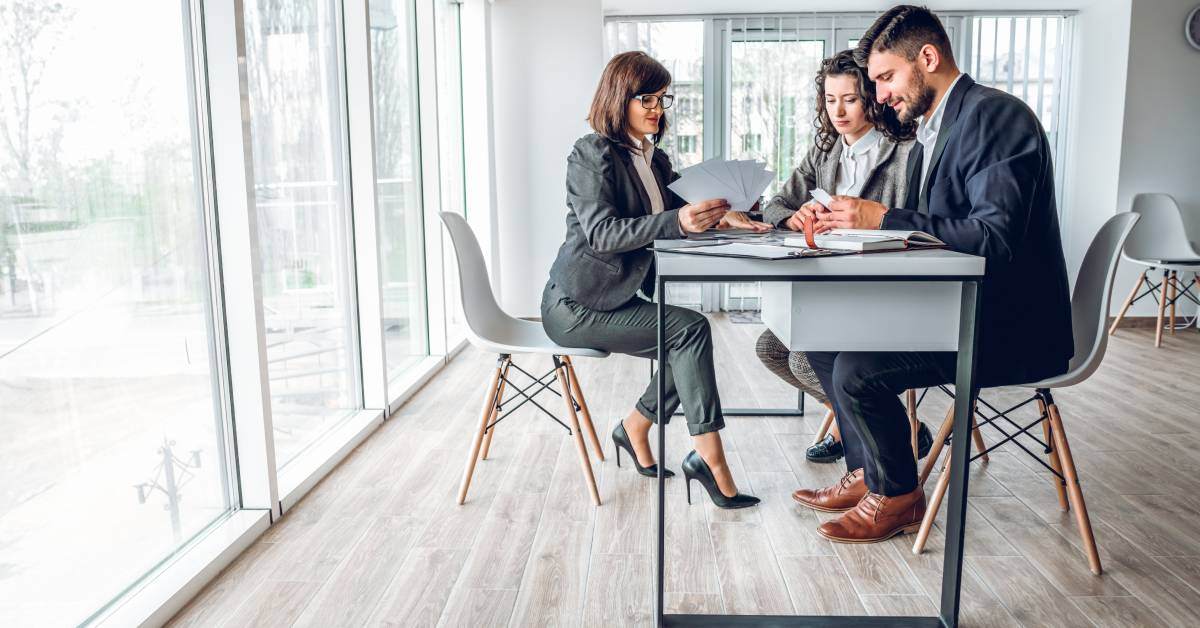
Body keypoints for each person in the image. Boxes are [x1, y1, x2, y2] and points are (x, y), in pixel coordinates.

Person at [791, 5, 1073, 543]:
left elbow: (993, 238)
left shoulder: (995, 118)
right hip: (957, 306)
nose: (878, 96)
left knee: (855, 369)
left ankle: (898, 497)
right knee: (822, 340)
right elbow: (941, 230)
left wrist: (883, 218)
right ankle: (872, 473)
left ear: (928, 57)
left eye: (885, 77)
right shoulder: (939, 127)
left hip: (1007, 326)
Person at [541, 51, 760, 509]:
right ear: (620, 96)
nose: (657, 108)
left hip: (616, 297)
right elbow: (603, 233)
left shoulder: (654, 160)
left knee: (686, 338)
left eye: (663, 98)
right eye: (647, 98)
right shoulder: (591, 152)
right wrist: (679, 221)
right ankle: (710, 462)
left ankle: (636, 427)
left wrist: (727, 215)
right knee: (690, 332)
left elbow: (686, 203)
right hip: (577, 304)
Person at [726, 49, 934, 465]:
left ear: (873, 97)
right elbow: (777, 203)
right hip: (834, 287)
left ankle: (870, 432)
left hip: (879, 291)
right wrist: (793, 217)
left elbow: (922, 226)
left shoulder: (908, 152)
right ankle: (890, 428)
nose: (838, 110)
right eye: (830, 99)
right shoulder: (825, 151)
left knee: (804, 358)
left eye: (850, 99)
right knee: (771, 347)